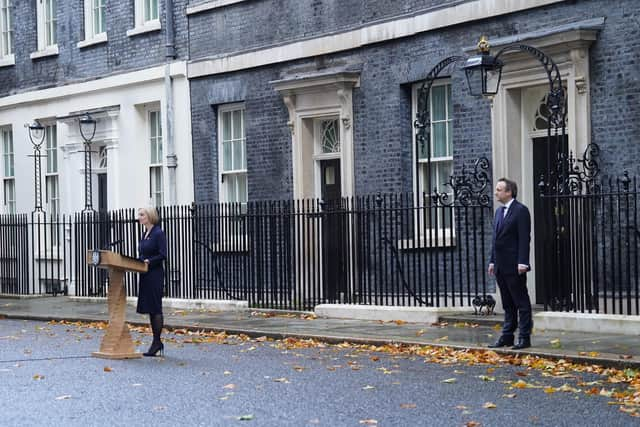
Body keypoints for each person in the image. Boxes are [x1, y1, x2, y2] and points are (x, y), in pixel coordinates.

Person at [487, 178, 532, 350]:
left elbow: (524, 238)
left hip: (514, 265)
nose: (496, 192)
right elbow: (495, 240)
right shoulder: (499, 212)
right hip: (500, 265)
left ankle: (524, 337)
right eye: (496, 189)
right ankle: (507, 336)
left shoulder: (521, 211)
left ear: (509, 192)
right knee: (507, 303)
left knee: (521, 302)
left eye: (499, 189)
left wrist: (523, 262)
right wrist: (492, 261)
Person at [137, 206, 167, 357]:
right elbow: (143, 253)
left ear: (149, 216)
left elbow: (163, 255)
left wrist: (149, 261)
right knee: (150, 308)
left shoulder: (158, 233)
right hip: (145, 274)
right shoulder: (145, 234)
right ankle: (156, 341)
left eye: (142, 214)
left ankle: (157, 342)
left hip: (155, 274)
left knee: (156, 308)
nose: (139, 217)